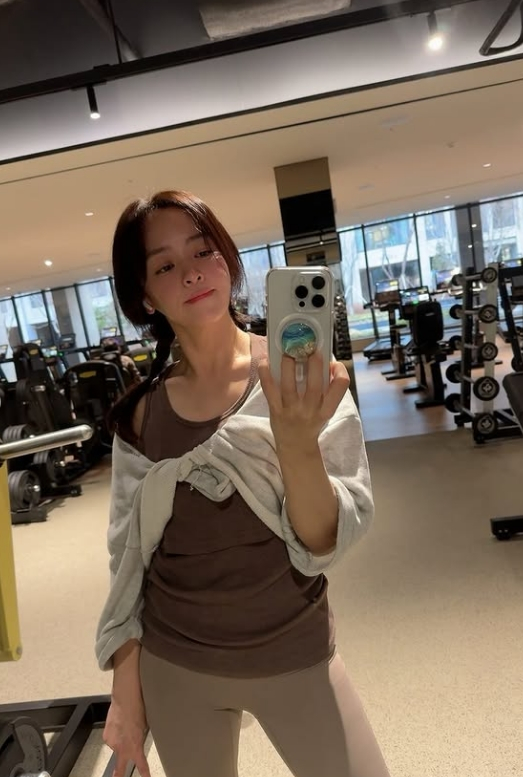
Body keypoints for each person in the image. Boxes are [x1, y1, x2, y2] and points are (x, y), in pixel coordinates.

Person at [95, 190, 391, 777]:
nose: (191, 273)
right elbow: (127, 561)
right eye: (164, 266)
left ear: (227, 259)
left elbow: (324, 541)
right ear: (145, 296)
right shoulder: (142, 415)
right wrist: (126, 687)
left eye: (202, 250)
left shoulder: (301, 378)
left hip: (294, 649)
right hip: (177, 664)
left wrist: (296, 441)